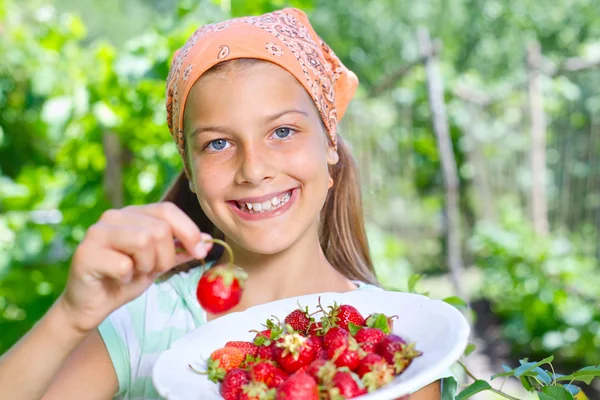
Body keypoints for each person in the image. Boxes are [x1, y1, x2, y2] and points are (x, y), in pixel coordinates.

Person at [0, 8, 457, 400]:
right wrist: (70, 317)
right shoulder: (143, 324)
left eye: (282, 131)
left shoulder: (397, 341)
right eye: (218, 143)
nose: (254, 169)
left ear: (330, 143)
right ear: (191, 171)